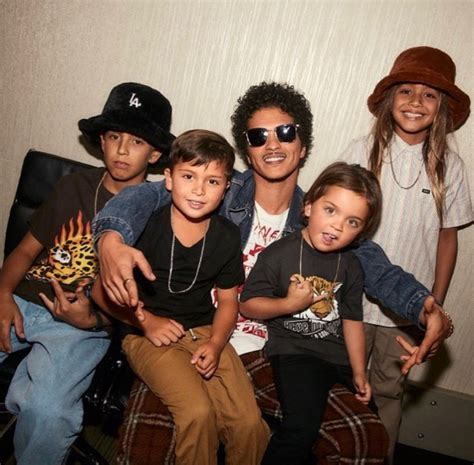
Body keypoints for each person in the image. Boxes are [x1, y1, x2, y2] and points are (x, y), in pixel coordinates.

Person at [92, 81, 453, 377]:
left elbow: (373, 264)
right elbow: (147, 194)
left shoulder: (316, 214)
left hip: (276, 352)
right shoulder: (217, 191)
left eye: (285, 132)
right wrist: (110, 238)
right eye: (258, 136)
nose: (273, 144)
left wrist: (426, 308)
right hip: (198, 337)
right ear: (247, 151)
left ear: (303, 145)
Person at [0, 81, 173, 465]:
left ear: (155, 153)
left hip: (83, 326)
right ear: (101, 140)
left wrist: (92, 321)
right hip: (24, 300)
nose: (122, 149)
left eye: (137, 141)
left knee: (47, 410)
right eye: (114, 137)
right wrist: (3, 294)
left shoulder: (159, 216)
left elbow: (137, 304)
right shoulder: (74, 186)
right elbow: (25, 250)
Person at [92, 129, 270, 465]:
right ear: (169, 179)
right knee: (197, 413)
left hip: (205, 330)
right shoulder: (145, 225)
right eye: (189, 177)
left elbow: (228, 301)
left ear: (225, 188)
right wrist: (146, 322)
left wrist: (216, 343)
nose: (199, 190)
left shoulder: (227, 235)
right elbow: (99, 291)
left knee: (250, 425)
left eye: (212, 181)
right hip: (145, 335)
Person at [340, 46, 472, 463]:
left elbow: (447, 238)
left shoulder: (450, 167)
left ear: (442, 107)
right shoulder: (362, 151)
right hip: (352, 300)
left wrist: (435, 303)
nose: (416, 101)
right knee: (340, 387)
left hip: (406, 310)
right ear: (389, 98)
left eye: (429, 94)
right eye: (406, 91)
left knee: (388, 392)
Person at [240, 161, 382, 465]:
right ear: (308, 206)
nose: (337, 226)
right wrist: (288, 305)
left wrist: (360, 371)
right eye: (330, 210)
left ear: (361, 231)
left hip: (339, 358)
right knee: (301, 428)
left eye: (352, 221)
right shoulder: (280, 253)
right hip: (295, 353)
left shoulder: (351, 265)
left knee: (371, 428)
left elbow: (352, 320)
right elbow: (248, 304)